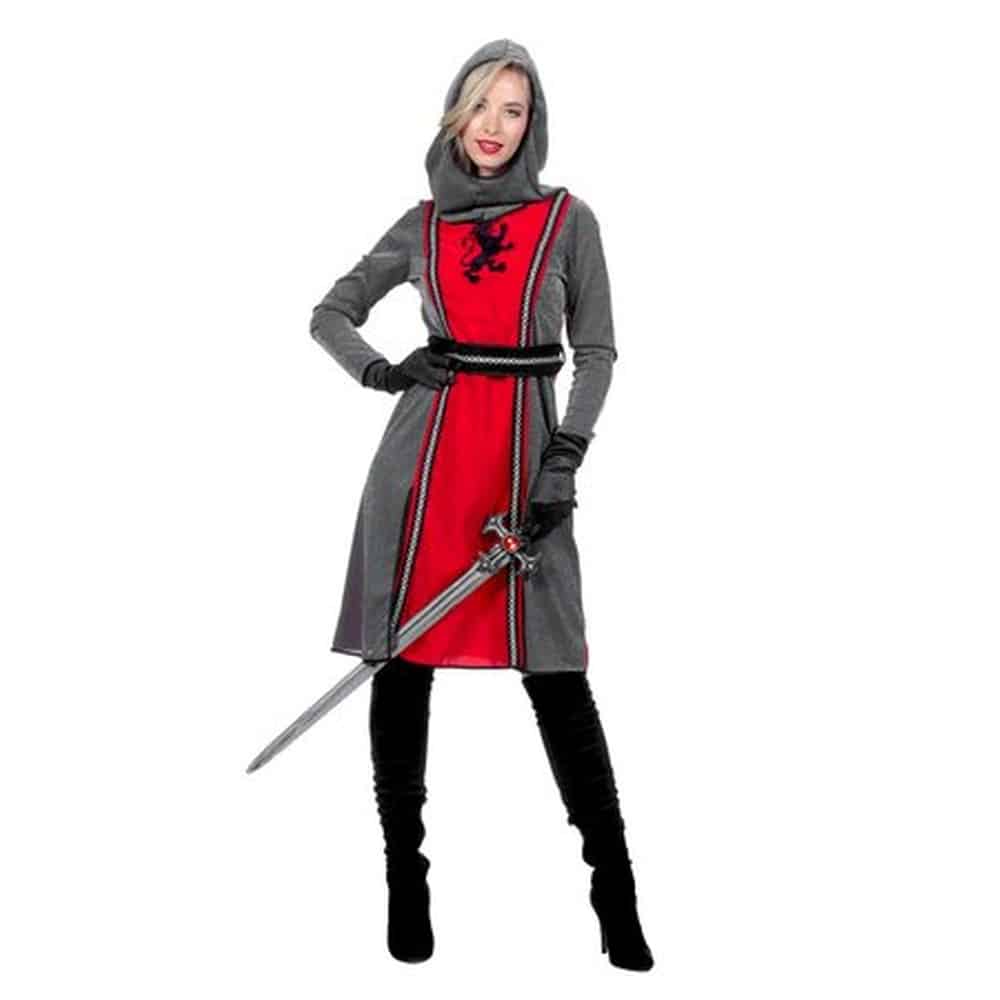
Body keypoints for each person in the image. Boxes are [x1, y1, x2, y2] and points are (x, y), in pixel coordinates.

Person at [310, 38, 653, 972]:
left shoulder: (567, 220)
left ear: (533, 123)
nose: (495, 126)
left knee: (559, 675)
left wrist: (565, 457)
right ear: (455, 116)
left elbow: (599, 352)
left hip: (524, 473)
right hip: (422, 469)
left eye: (514, 109)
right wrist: (385, 372)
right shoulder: (421, 226)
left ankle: (616, 896)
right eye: (481, 106)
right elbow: (330, 313)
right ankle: (405, 882)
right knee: (402, 667)